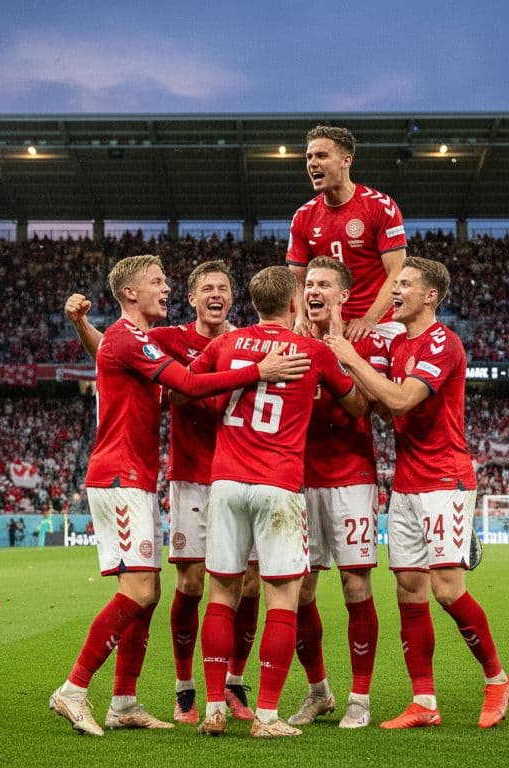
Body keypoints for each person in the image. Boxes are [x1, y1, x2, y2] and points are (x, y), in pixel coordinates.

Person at [48, 254, 310, 737]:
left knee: (151, 596)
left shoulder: (148, 340)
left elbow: (113, 357)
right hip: (123, 476)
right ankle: (74, 688)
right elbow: (184, 381)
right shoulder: (132, 339)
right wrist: (260, 370)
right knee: (148, 591)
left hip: (146, 477)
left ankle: (124, 700)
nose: (164, 288)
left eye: (166, 281)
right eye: (157, 282)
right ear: (131, 293)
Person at [326, 256, 509, 730]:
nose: (396, 290)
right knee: (410, 591)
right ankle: (424, 701)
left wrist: (350, 362)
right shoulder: (399, 347)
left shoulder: (442, 343)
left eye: (405, 284)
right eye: (397, 283)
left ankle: (497, 679)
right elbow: (388, 410)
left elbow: (403, 399)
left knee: (448, 591)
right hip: (407, 479)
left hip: (444, 478)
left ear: (429, 296)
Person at [192, 265, 366, 738]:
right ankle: (267, 715)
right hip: (279, 485)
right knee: (282, 599)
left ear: (252, 305)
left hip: (226, 483)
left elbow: (186, 387)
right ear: (293, 304)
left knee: (222, 595)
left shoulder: (226, 345)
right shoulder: (310, 351)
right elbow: (356, 405)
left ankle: (213, 708)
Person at [286, 257, 388, 729]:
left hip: (351, 476)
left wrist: (341, 355)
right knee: (301, 588)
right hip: (300, 479)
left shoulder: (366, 342)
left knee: (355, 585)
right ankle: (318, 690)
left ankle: (360, 697)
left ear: (344, 295)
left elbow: (368, 404)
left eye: (324, 283)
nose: (314, 289)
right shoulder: (290, 341)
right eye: (309, 283)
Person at [287, 125, 408, 341]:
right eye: (309, 157)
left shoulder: (380, 206)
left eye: (322, 155)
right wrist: (300, 317)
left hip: (380, 324)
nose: (313, 163)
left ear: (346, 161)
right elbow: (296, 279)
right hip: (325, 326)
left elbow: (397, 272)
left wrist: (369, 320)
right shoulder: (303, 216)